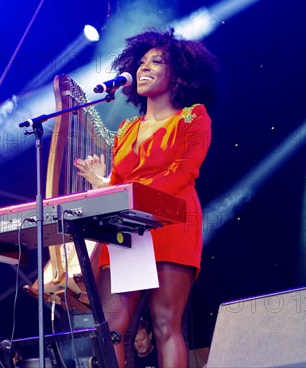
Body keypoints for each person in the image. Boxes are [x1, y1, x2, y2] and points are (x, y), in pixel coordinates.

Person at [74, 28, 217, 368]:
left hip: (171, 222)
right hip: (128, 229)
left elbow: (185, 171)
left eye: (157, 61)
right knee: (112, 327)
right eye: (141, 62)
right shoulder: (126, 129)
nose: (143, 67)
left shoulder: (192, 116)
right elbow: (121, 184)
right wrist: (101, 182)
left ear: (178, 73)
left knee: (166, 324)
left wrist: (131, 195)